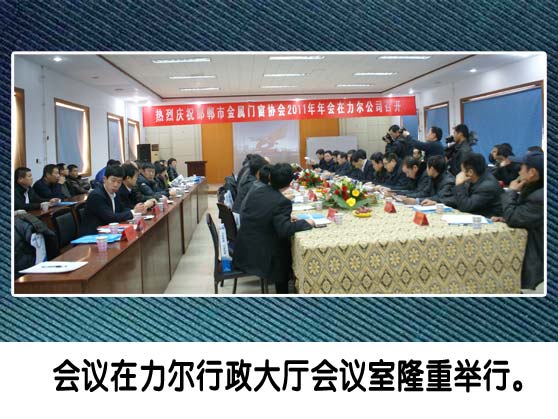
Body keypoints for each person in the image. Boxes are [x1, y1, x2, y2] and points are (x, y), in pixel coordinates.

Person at [233, 163, 315, 293]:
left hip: (245, 248)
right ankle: (284, 292)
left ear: (270, 177)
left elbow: (264, 213)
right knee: (286, 250)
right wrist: (307, 223)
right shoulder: (282, 202)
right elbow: (284, 230)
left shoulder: (258, 191)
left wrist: (286, 218)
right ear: (290, 183)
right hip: (261, 253)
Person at [494, 151, 543, 290]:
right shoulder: (533, 188)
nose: (519, 171)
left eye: (522, 167)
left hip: (537, 254)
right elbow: (522, 215)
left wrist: (511, 191)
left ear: (532, 172)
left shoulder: (540, 197)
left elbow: (514, 218)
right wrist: (505, 218)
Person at [80, 165, 145, 236]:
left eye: (119, 182)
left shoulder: (116, 193)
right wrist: (133, 212)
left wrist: (138, 210)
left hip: (108, 231)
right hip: (93, 235)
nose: (115, 185)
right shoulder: (97, 195)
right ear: (105, 179)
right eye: (113, 181)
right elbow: (110, 218)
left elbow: (122, 209)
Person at [443, 153, 503, 217]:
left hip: (492, 219)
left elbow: (465, 207)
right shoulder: (474, 179)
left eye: (462, 170)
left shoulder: (487, 187)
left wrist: (459, 185)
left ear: (470, 172)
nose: (460, 173)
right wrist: (440, 201)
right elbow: (457, 199)